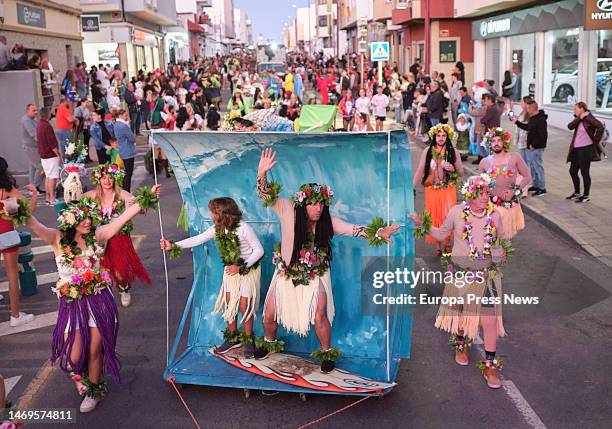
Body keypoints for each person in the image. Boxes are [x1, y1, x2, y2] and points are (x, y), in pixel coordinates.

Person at [254, 148, 400, 372]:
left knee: (320, 314)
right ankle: (270, 343)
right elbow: (265, 195)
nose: (318, 208)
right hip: (285, 273)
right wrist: (262, 173)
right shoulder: (287, 209)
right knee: (269, 314)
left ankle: (326, 353)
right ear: (303, 204)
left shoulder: (327, 221)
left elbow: (354, 230)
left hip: (315, 274)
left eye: (322, 204)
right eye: (314, 204)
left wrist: (380, 232)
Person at [25, 184, 160, 413]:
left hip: (98, 302)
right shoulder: (57, 239)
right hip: (72, 305)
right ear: (70, 221)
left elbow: (124, 216)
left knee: (94, 351)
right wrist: (18, 208)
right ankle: (82, 377)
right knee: (72, 358)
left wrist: (147, 197)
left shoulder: (98, 236)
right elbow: (34, 224)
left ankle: (94, 391)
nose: (88, 222)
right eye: (83, 218)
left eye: (90, 217)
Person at [412, 174, 509, 389]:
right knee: (462, 313)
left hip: (486, 275)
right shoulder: (457, 212)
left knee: (489, 321)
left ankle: (490, 366)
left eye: (487, 193)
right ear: (470, 194)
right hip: (461, 273)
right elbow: (440, 234)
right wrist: (422, 224)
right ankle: (461, 344)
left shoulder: (495, 216)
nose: (486, 197)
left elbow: (500, 242)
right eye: (481, 193)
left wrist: (500, 253)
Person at [160, 198, 264, 357]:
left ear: (223, 214)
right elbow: (198, 239)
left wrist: (241, 267)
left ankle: (249, 339)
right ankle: (233, 337)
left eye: (213, 212)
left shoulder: (243, 228)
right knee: (230, 304)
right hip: (231, 271)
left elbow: (259, 251)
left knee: (244, 306)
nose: (210, 215)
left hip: (247, 270)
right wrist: (173, 245)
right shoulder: (217, 229)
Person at [84, 164, 152, 307]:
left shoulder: (122, 194)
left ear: (115, 179)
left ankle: (124, 288)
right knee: (100, 270)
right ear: (98, 179)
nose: (107, 181)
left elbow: (137, 207)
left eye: (110, 178)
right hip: (99, 239)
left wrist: (140, 206)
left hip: (119, 238)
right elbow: (74, 205)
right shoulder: (91, 196)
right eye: (103, 178)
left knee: (120, 272)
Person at [413, 124, 464, 255]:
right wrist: (411, 186)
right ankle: (438, 245)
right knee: (434, 216)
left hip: (448, 189)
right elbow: (420, 170)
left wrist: (453, 169)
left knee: (447, 215)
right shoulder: (427, 151)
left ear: (447, 137)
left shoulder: (453, 152)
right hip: (432, 190)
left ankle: (447, 242)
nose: (441, 138)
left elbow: (461, 172)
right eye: (438, 135)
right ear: (434, 136)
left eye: (443, 136)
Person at [0, 157, 37, 326]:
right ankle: (15, 316)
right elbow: (28, 210)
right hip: (6, 234)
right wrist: (35, 193)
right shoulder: (7, 189)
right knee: (12, 275)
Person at [479, 128, 531, 239]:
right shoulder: (484, 162)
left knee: (504, 240)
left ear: (504, 142)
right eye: (493, 141)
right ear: (489, 144)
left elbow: (527, 177)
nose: (496, 143)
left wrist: (515, 191)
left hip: (508, 207)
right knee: (490, 239)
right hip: (491, 206)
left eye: (499, 140)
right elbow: (480, 185)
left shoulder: (514, 157)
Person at [566, 102, 605, 203]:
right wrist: (580, 118)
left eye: (576, 109)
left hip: (585, 149)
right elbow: (570, 126)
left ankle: (586, 195)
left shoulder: (589, 118)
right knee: (572, 171)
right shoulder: (579, 118)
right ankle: (577, 193)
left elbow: (600, 127)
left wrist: (595, 140)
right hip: (576, 149)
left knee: (584, 172)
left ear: (582, 108)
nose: (574, 110)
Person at [511, 100, 548, 197]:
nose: (526, 110)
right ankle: (536, 185)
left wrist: (534, 145)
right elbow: (528, 128)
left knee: (538, 167)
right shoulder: (533, 118)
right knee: (533, 166)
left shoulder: (540, 120)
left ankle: (542, 188)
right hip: (532, 147)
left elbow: (543, 136)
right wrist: (517, 123)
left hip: (537, 148)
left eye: (528, 108)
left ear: (532, 108)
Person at [37, 107, 62, 205]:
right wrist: (58, 154)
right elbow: (52, 143)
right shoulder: (47, 126)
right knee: (53, 177)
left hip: (43, 155)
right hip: (50, 155)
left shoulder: (39, 125)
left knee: (48, 176)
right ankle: (52, 198)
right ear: (48, 114)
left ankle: (48, 197)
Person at [21, 104, 44, 192]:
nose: (36, 112)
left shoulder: (31, 120)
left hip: (32, 147)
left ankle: (33, 185)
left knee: (33, 167)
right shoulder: (26, 121)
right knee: (40, 166)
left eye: (36, 110)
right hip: (31, 148)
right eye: (33, 111)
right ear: (27, 111)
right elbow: (34, 134)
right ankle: (35, 185)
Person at [112, 109, 136, 192]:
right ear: (120, 115)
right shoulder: (123, 125)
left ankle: (125, 190)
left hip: (122, 149)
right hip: (128, 151)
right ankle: (126, 191)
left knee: (126, 173)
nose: (127, 117)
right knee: (128, 173)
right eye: (125, 115)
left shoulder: (116, 124)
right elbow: (132, 138)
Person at [477, 94, 502, 164]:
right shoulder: (494, 107)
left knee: (488, 149)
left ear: (490, 100)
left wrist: (482, 119)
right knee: (487, 148)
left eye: (486, 100)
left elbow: (483, 120)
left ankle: (489, 164)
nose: (484, 102)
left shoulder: (492, 109)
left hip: (491, 131)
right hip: (491, 131)